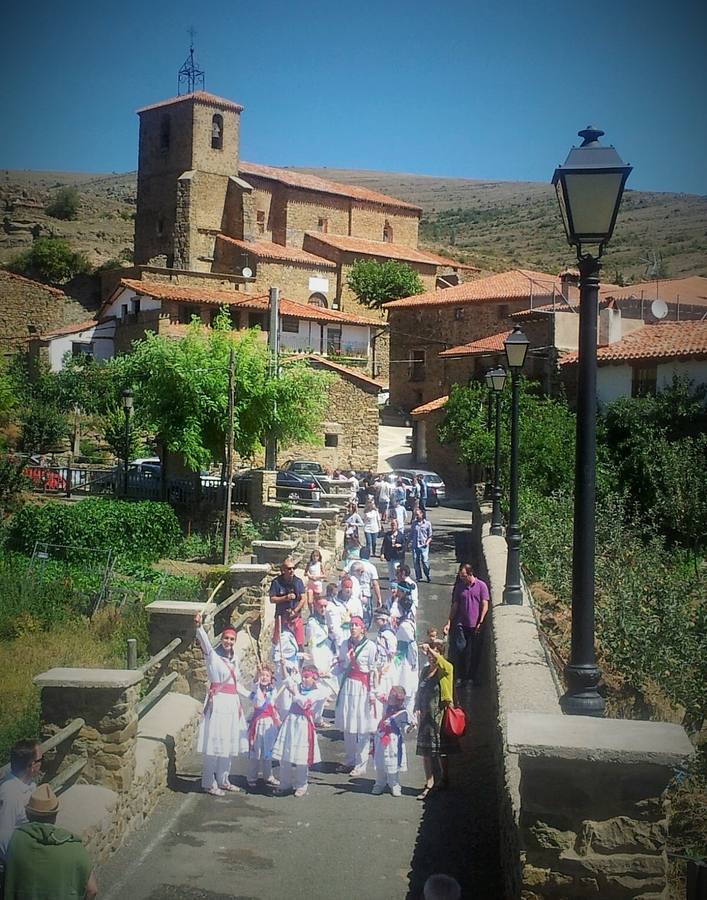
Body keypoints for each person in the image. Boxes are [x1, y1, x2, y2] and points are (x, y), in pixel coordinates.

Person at [4, 784, 97, 900]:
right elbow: (92, 890)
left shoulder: (16, 841)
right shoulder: (76, 848)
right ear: (55, 815)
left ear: (28, 814)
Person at [194, 610, 248, 796]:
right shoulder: (213, 657)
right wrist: (199, 626)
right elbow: (205, 643)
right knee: (214, 744)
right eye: (226, 638)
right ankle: (208, 782)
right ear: (221, 639)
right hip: (217, 705)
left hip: (232, 704)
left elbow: (236, 685)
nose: (228, 642)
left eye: (232, 639)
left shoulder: (235, 660)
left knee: (228, 743)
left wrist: (253, 696)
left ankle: (224, 779)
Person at [272, 665, 332, 797]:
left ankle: (301, 784)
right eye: (303, 677)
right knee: (285, 754)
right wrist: (282, 666)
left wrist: (294, 692)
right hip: (291, 721)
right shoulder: (298, 687)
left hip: (303, 723)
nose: (304, 680)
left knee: (301, 756)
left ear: (314, 678)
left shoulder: (318, 692)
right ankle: (285, 783)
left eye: (307, 677)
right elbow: (286, 679)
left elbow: (304, 703)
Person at [415, 640, 459, 800]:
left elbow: (444, 663)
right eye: (429, 654)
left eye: (434, 653)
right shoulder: (425, 670)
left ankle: (444, 778)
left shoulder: (446, 669)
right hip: (427, 714)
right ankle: (429, 783)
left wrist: (430, 649)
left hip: (440, 714)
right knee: (426, 752)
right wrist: (417, 706)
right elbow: (420, 689)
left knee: (442, 752)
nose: (431, 657)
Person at [335, 616, 378, 776]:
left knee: (362, 726)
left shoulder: (370, 646)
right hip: (348, 686)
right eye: (351, 625)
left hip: (362, 688)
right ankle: (349, 759)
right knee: (349, 724)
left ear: (362, 628)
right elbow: (341, 665)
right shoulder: (345, 644)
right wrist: (325, 673)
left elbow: (373, 671)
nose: (353, 627)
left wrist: (373, 692)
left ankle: (361, 763)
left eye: (356, 625)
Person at [444, 564, 489, 686]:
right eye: (460, 576)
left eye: (464, 576)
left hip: (475, 625)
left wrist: (481, 621)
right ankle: (461, 677)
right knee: (461, 650)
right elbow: (455, 606)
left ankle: (471, 677)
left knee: (475, 652)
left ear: (470, 574)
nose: (462, 578)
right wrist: (449, 621)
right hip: (461, 623)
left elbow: (485, 604)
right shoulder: (460, 587)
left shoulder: (481, 586)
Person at [0, 740, 42, 871]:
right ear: (32, 765)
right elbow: (3, 840)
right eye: (41, 759)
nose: (42, 763)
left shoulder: (30, 785)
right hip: (16, 865)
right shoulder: (10, 794)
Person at [245, 664, 281, 789]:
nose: (264, 677)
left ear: (271, 678)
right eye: (262, 675)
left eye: (267, 675)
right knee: (255, 751)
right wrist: (257, 679)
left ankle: (268, 775)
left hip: (269, 724)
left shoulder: (273, 691)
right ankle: (251, 777)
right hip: (258, 724)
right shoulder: (255, 690)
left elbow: (270, 703)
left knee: (268, 751)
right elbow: (258, 699)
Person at [371, 686, 410, 798]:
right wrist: (373, 680)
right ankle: (379, 783)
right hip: (381, 735)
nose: (390, 698)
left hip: (393, 740)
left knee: (393, 760)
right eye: (390, 695)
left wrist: (409, 727)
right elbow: (378, 694)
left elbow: (405, 726)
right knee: (380, 760)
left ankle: (394, 784)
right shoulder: (386, 704)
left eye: (393, 696)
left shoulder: (402, 712)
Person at [305, 594, 338, 724]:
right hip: (319, 656)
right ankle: (314, 717)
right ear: (315, 606)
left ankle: (316, 717)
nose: (323, 609)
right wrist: (316, 665)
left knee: (327, 690)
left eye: (325, 606)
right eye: (320, 606)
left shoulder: (326, 619)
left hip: (328, 653)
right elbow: (312, 645)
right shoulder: (312, 623)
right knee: (321, 689)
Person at [269, 558, 307, 649]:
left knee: (299, 642)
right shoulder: (276, 582)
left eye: (293, 568)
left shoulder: (298, 581)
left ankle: (299, 660)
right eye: (289, 569)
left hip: (295, 616)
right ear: (283, 570)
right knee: (278, 642)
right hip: (281, 616)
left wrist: (295, 610)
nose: (292, 571)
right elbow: (272, 599)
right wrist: (285, 598)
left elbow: (303, 598)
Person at [393, 587, 419, 719]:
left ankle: (409, 717)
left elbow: (412, 645)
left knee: (406, 684)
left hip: (405, 658)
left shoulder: (405, 625)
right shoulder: (408, 621)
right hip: (404, 656)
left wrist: (414, 661)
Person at [272, 618, 302, 717]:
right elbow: (276, 656)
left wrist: (301, 655)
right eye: (293, 622)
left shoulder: (291, 635)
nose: (296, 625)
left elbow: (291, 653)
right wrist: (289, 665)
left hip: (293, 673)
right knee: (285, 701)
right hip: (284, 673)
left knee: (293, 697)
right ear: (288, 624)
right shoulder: (284, 637)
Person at [346, 559, 382, 628]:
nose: (362, 574)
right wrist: (378, 598)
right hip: (361, 601)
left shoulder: (351, 564)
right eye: (362, 572)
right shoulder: (371, 567)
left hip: (351, 605)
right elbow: (375, 584)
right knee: (366, 619)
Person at [409, 506, 433, 583]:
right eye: (416, 515)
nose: (417, 516)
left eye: (418, 514)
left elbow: (430, 536)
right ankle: (418, 576)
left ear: (422, 514)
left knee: (425, 561)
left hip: (424, 546)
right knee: (416, 561)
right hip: (415, 546)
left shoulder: (427, 524)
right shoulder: (414, 524)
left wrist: (427, 543)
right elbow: (411, 534)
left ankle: (428, 574)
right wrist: (407, 543)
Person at [380, 519, 406, 583]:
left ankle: (397, 582)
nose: (393, 527)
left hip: (397, 556)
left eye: (394, 525)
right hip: (389, 556)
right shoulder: (387, 535)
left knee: (395, 568)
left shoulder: (401, 535)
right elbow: (384, 545)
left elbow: (405, 545)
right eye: (392, 525)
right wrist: (382, 553)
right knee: (390, 570)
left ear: (397, 526)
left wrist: (400, 546)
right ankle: (392, 584)